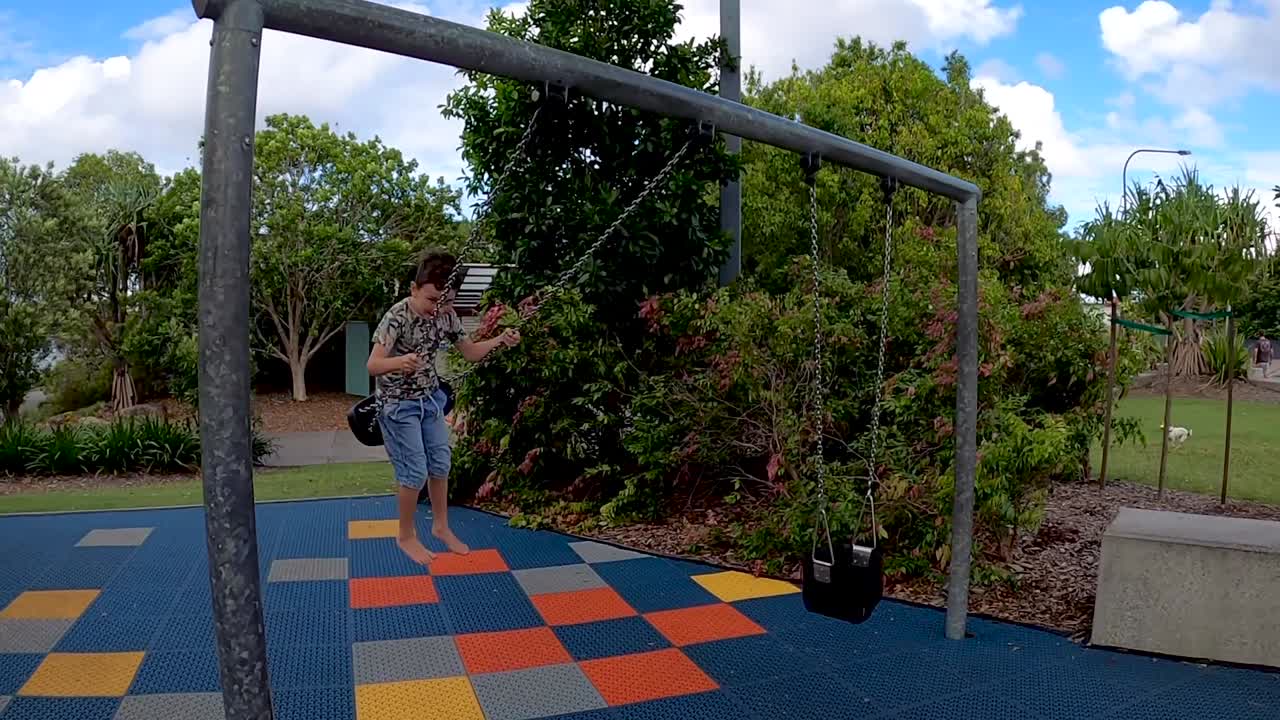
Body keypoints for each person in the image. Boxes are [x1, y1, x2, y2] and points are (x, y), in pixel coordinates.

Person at [366, 251, 520, 566]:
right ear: (413, 289)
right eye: (431, 299)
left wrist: (500, 340)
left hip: (430, 401)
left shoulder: (447, 315)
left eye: (445, 301)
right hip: (397, 406)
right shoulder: (396, 317)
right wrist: (399, 361)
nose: (437, 308)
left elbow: (471, 353)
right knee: (414, 473)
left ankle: (440, 526)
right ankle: (406, 535)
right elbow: (373, 365)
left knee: (440, 464)